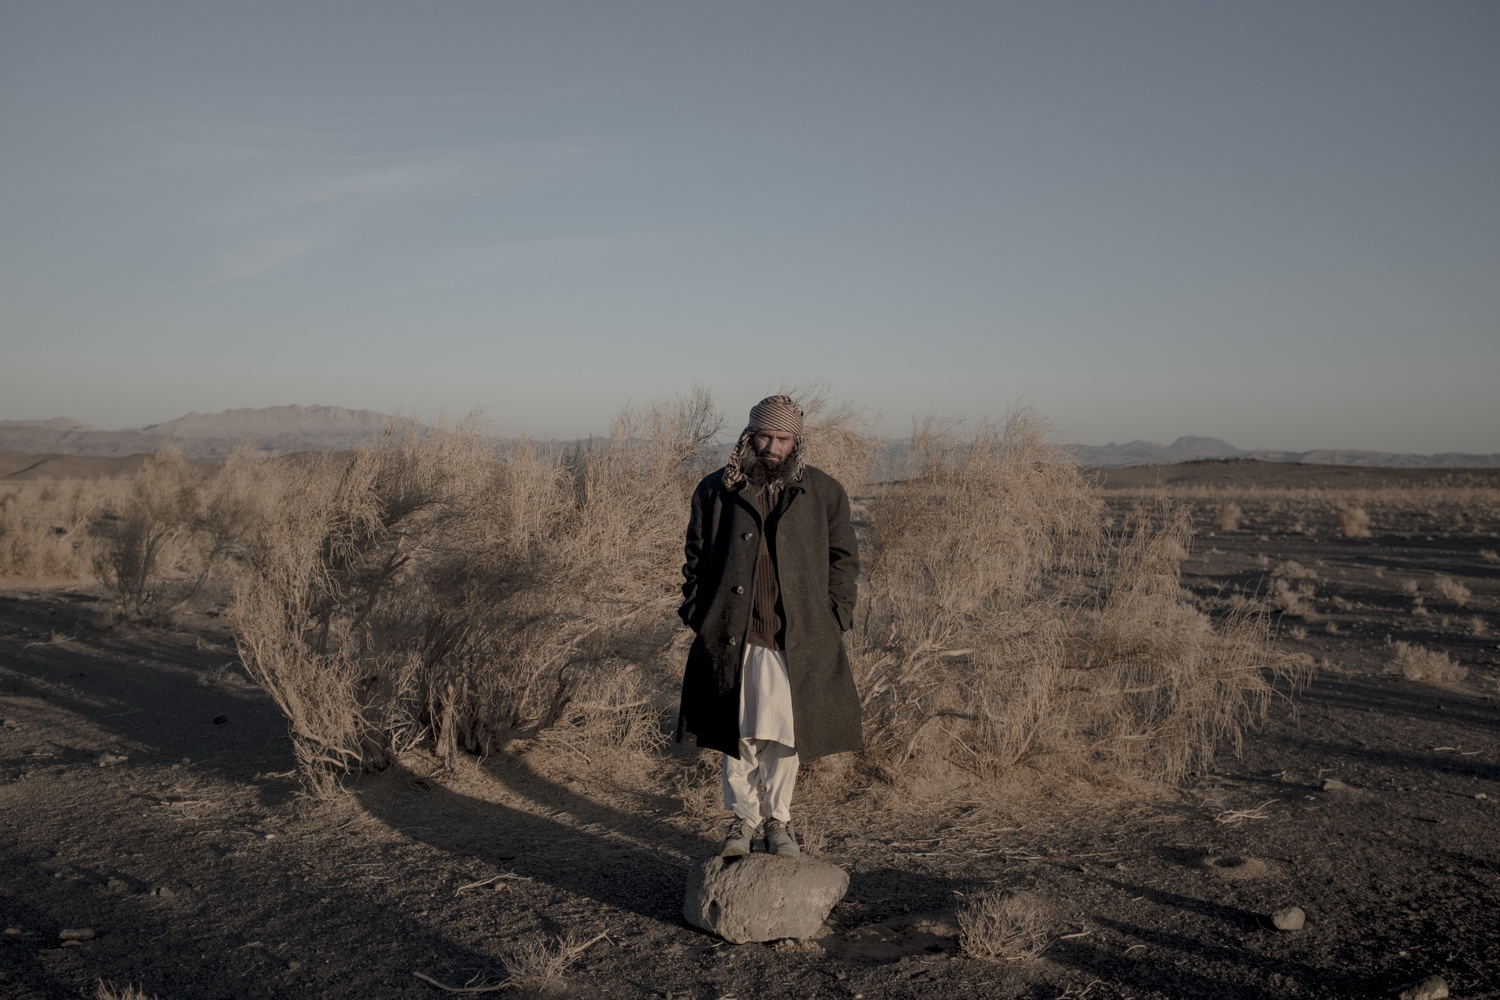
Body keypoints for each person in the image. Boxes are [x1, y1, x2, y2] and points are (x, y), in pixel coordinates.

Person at [675, 395, 861, 858]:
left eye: (782, 438)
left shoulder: (823, 491)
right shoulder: (716, 489)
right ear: (749, 436)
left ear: (796, 441)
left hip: (797, 639)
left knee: (786, 735)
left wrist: (836, 613)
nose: (772, 447)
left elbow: (844, 559)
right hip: (734, 636)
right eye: (765, 436)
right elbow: (695, 557)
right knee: (738, 734)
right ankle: (742, 822)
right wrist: (699, 613)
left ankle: (779, 823)